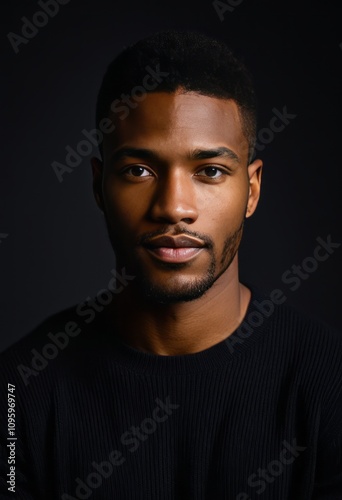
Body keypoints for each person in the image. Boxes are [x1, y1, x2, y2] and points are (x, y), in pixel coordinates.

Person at [1, 29, 341, 499]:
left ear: (253, 189)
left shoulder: (328, 383)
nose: (174, 206)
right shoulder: (19, 393)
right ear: (99, 186)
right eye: (139, 170)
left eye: (210, 171)